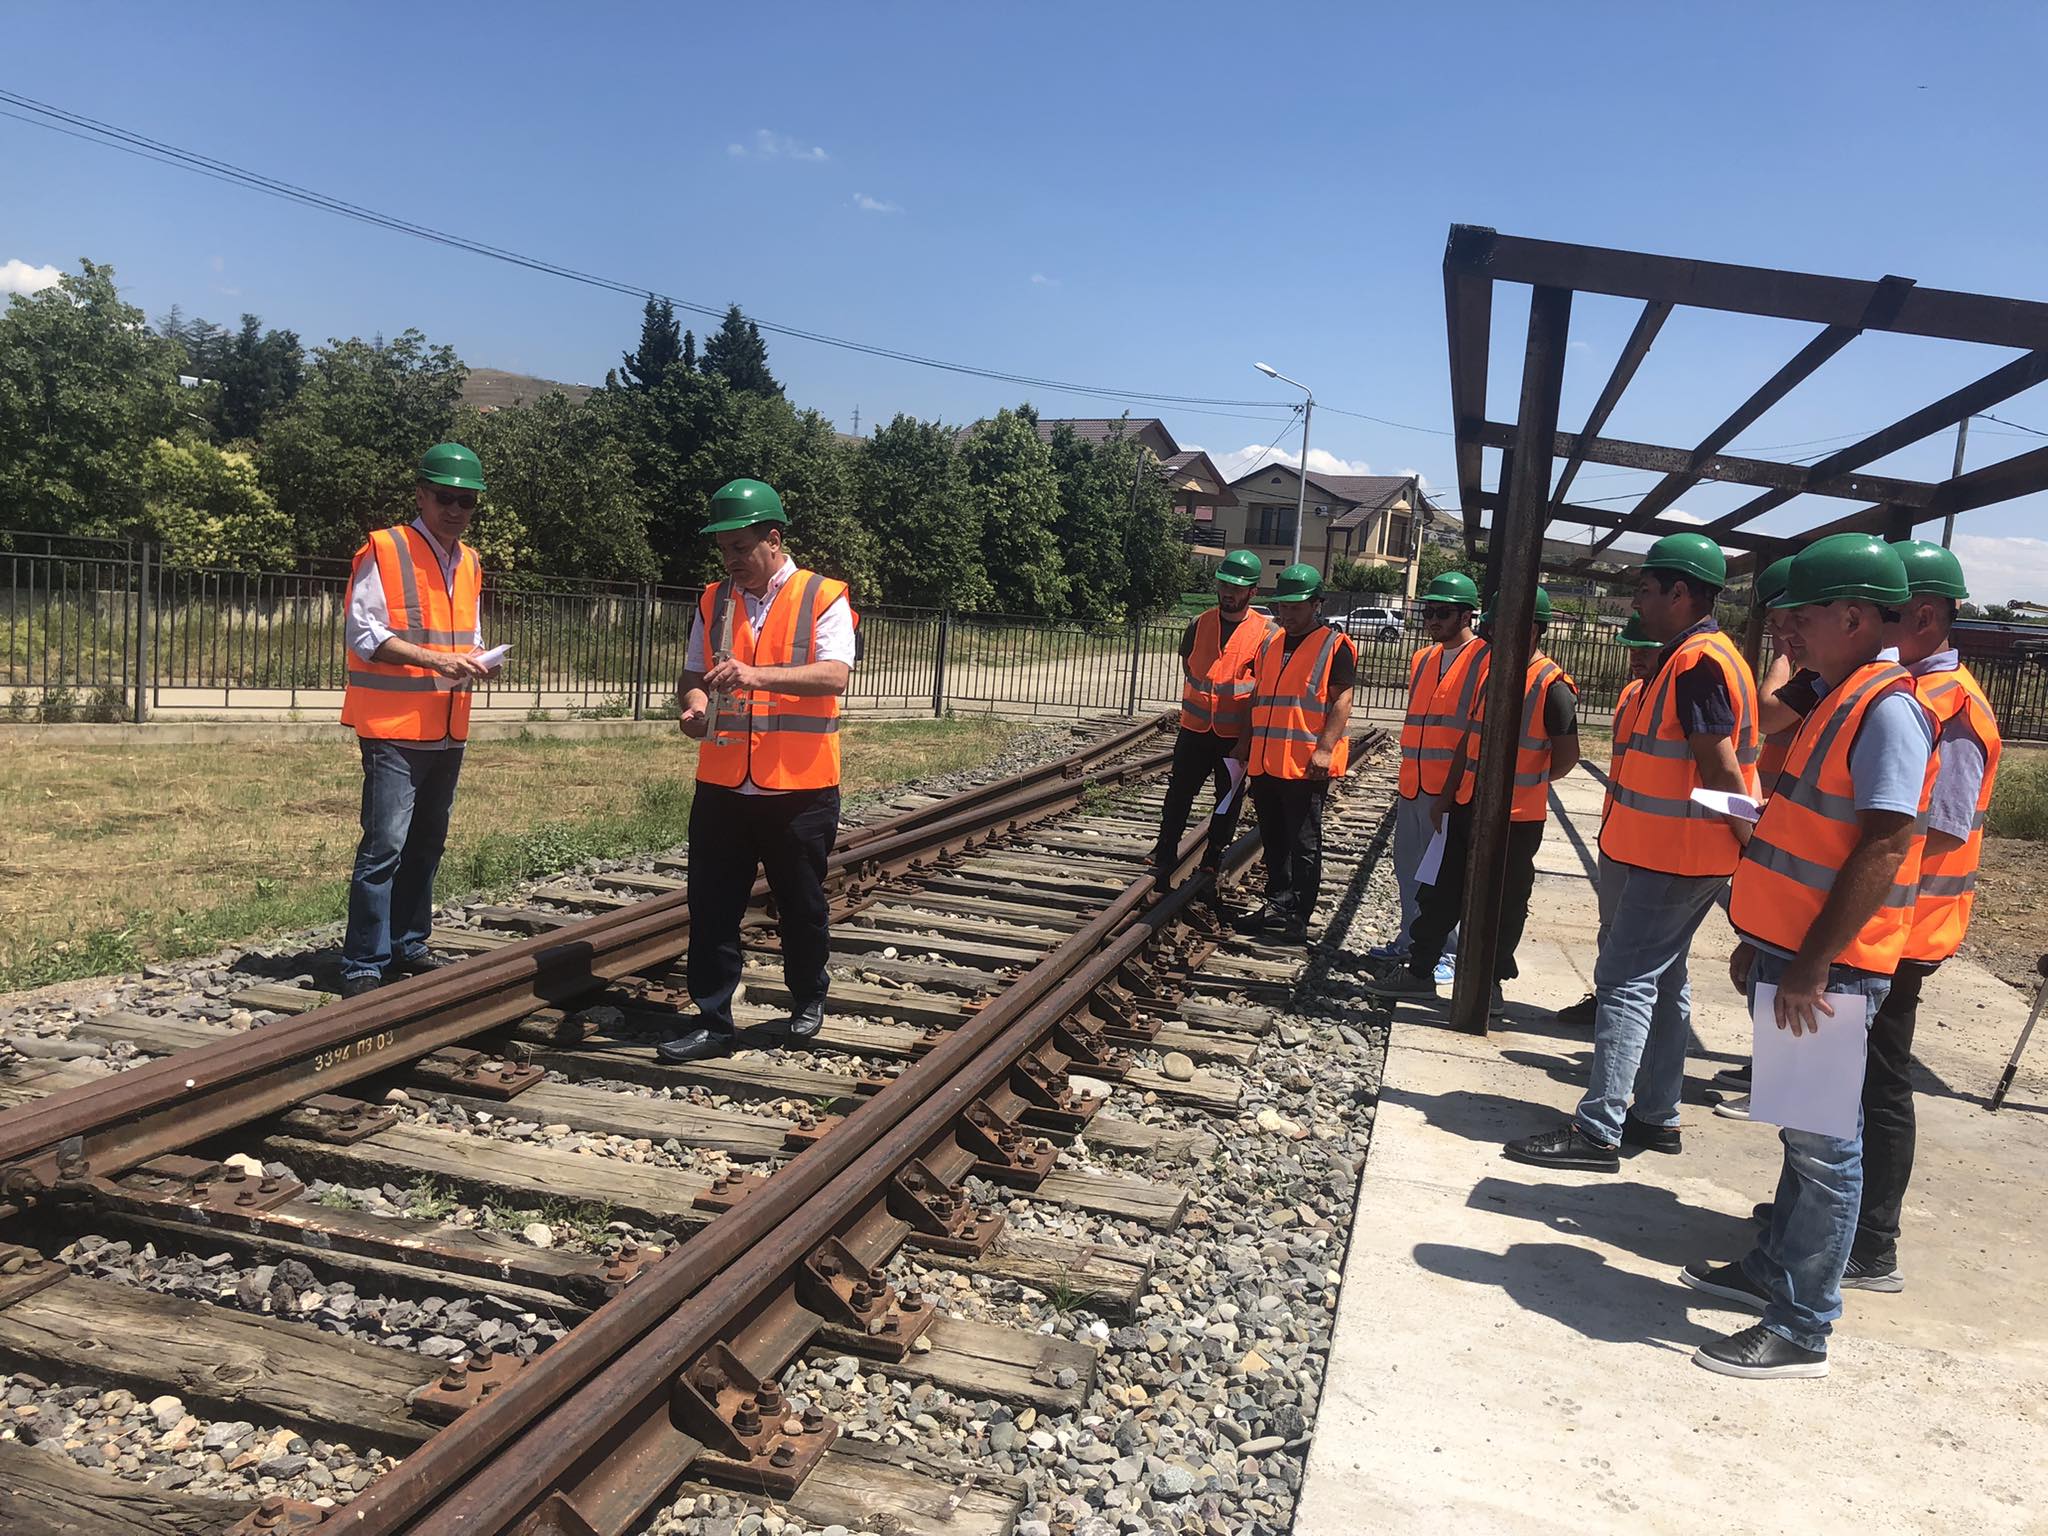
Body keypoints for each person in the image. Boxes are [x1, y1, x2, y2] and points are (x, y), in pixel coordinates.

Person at [1679, 534, 1936, 1379]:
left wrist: (1812, 962)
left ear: (1854, 616)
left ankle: (1803, 1326)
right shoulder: (1845, 695)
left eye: (1804, 617)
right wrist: (1769, 944)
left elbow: (1886, 843)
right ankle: (1773, 1272)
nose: (1788, 632)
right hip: (1798, 955)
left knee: (1826, 1145)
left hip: (1836, 967)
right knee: (1801, 1134)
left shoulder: (1889, 708)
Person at [1504, 532, 1760, 1171]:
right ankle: (1656, 1115)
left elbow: (1721, 770)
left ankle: (1598, 1130)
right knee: (1665, 980)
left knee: (1622, 981)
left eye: (1646, 590)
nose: (1636, 604)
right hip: (1677, 852)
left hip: (1674, 853)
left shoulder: (1698, 663)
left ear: (1681, 593)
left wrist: (1748, 842)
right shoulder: (1697, 657)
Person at [1842, 539, 2000, 1292]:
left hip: (1910, 928)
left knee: (1878, 1082)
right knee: (1844, 1078)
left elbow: (1943, 824)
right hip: (1885, 920)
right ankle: (1836, 1215)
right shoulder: (1906, 692)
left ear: (1927, 614)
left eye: (1887, 612)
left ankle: (1873, 1242)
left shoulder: (1954, 706)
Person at [656, 479, 856, 1063]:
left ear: (774, 539)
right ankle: (714, 1020)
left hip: (800, 784)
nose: (732, 561)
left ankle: (807, 1000)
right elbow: (692, 674)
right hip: (722, 784)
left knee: (801, 901)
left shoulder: (823, 596)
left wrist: (754, 675)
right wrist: (693, 708)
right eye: (724, 551)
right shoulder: (714, 598)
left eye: (740, 548)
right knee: (712, 905)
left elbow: (834, 675)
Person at [338, 443, 504, 999]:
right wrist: (435, 660)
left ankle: (409, 942)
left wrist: (478, 661)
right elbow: (364, 635)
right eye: (447, 498)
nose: (457, 510)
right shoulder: (385, 550)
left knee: (428, 840)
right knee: (385, 843)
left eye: (468, 501)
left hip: (447, 725)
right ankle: (364, 959)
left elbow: (469, 634)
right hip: (393, 725)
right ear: (422, 495)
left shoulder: (470, 560)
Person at [1363, 587, 1578, 1013]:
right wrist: (1447, 795)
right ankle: (1421, 972)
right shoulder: (1491, 673)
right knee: (1440, 893)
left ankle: (1489, 983)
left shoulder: (1552, 684)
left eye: (1498, 628)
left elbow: (1567, 757)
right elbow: (1468, 739)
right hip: (1466, 804)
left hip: (1516, 817)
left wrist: (1524, 784)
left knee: (1504, 903)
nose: (1489, 636)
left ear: (1530, 629)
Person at [1371, 571, 1485, 985]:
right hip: (1414, 784)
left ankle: (1447, 952)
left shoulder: (1485, 659)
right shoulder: (1424, 658)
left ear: (1467, 615)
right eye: (1427, 611)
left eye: (1442, 612)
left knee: (1443, 878)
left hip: (1451, 792)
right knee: (1409, 869)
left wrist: (1456, 792)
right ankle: (1411, 939)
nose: (1432, 619)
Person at [1232, 563, 1356, 945]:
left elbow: (1342, 700)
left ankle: (1298, 915)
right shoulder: (1270, 643)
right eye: (1282, 607)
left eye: (1296, 607)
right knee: (1274, 839)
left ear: (1317, 604)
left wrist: (1324, 749)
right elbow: (1259, 698)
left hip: (1304, 765)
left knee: (1304, 843)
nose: (1287, 614)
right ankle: (1278, 902)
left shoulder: (1334, 645)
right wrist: (1244, 743)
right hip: (1268, 762)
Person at [1151, 549, 1277, 897]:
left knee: (1227, 800)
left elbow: (1263, 689)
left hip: (1234, 736)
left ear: (1253, 591)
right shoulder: (1199, 623)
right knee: (1179, 794)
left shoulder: (1266, 633)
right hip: (1194, 728)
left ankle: (1213, 855)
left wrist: (1246, 740)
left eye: (1237, 587)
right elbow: (1189, 666)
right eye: (1224, 584)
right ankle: (1164, 851)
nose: (1228, 592)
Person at [1557, 615, 1661, 1026]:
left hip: (1657, 838)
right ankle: (1606, 998)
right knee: (1610, 924)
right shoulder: (1631, 695)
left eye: (1645, 649)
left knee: (1648, 937)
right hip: (1619, 830)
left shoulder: (1671, 697)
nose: (1635, 657)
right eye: (1632, 648)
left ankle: (1635, 1013)